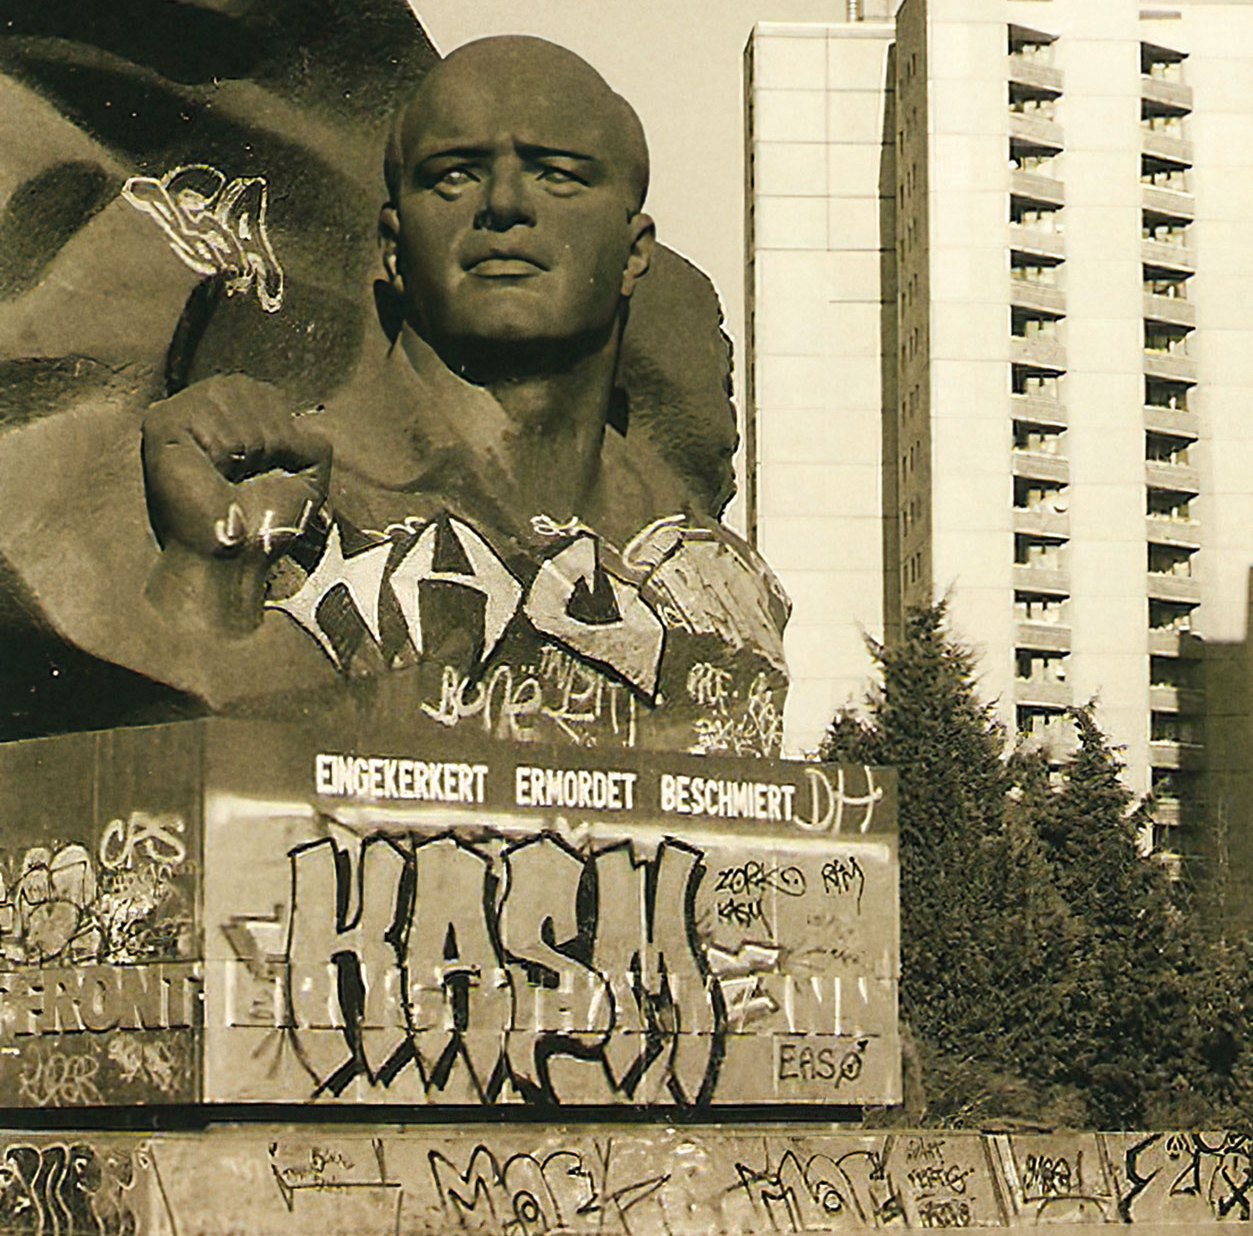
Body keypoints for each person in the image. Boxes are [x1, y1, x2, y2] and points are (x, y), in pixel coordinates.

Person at [140, 37, 788, 755]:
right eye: (454, 178)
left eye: (557, 175)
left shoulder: (716, 579)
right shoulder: (283, 497)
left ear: (635, 252)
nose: (505, 205)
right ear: (393, 247)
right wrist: (209, 578)